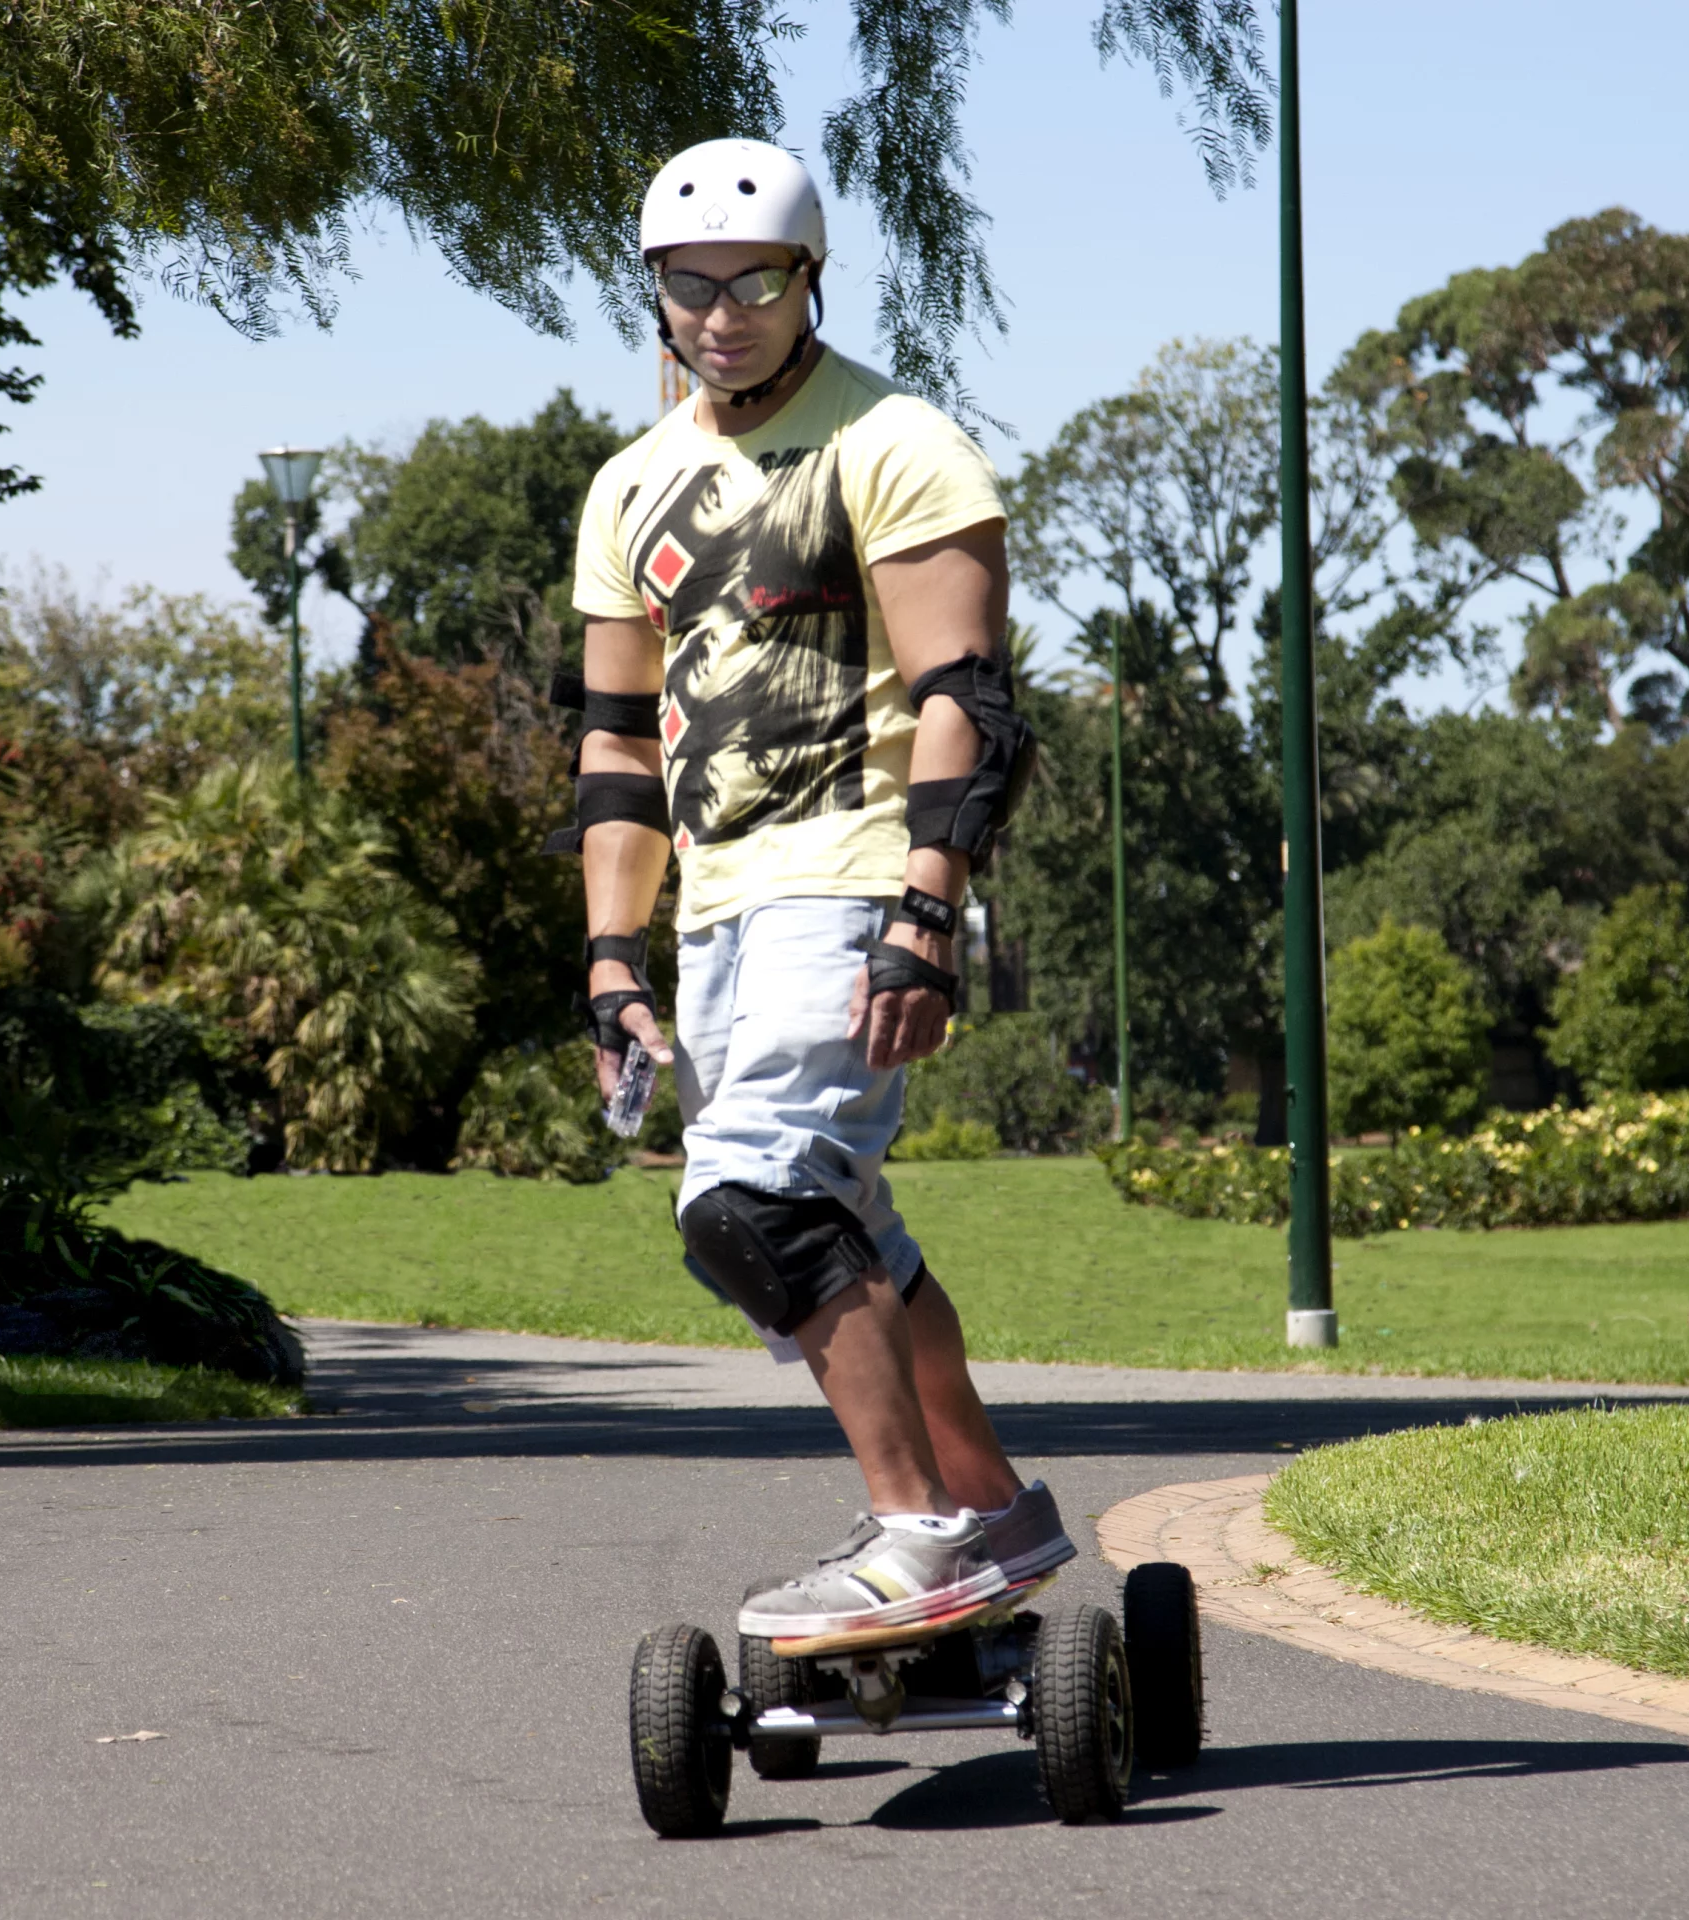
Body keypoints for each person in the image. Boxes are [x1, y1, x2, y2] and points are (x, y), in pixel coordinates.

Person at [563, 138, 1071, 1639]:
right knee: (845, 1222)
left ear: (810, 280)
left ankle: (919, 1535)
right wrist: (611, 956)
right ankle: (989, 1506)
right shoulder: (632, 486)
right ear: (656, 294)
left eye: (756, 283)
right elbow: (613, 753)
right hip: (718, 902)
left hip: (850, 878)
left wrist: (928, 908)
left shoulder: (897, 443)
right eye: (690, 287)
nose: (723, 314)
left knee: (756, 1207)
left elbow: (966, 699)